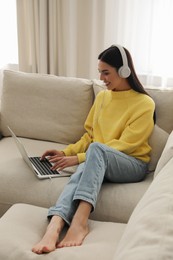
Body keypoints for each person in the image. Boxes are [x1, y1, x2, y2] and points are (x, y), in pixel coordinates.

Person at [32, 45, 155, 254]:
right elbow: (90, 136)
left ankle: (80, 222)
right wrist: (65, 153)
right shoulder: (103, 97)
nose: (101, 77)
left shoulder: (144, 103)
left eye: (106, 72)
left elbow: (125, 145)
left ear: (124, 71)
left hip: (131, 164)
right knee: (84, 166)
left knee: (94, 153)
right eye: (99, 72)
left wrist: (80, 158)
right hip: (98, 159)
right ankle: (56, 224)